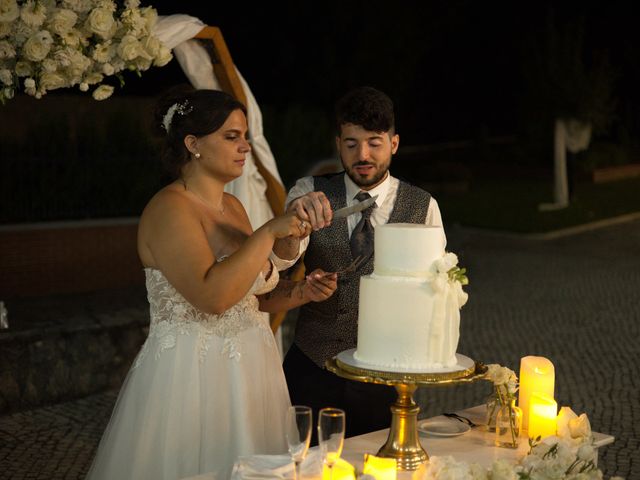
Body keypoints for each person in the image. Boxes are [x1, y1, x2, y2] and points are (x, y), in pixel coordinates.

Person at [86, 87, 337, 480]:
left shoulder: (233, 207)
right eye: (231, 136)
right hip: (194, 375)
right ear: (193, 144)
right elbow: (213, 297)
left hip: (253, 367)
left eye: (245, 138)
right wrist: (268, 230)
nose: (244, 147)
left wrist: (302, 291)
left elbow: (248, 295)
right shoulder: (170, 209)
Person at [274, 86, 447, 441]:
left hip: (384, 374)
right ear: (338, 144)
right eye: (351, 144)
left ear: (394, 143)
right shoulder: (307, 192)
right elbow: (281, 261)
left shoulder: (423, 205)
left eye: (374, 142)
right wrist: (293, 225)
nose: (362, 154)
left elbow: (436, 288)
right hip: (312, 364)